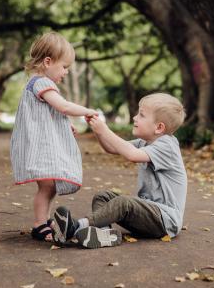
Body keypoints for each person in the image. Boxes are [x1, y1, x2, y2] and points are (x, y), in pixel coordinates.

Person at [52, 93, 187, 249]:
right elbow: (111, 148)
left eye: (141, 115)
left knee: (124, 203)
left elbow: (132, 155)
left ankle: (76, 226)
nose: (135, 118)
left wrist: (105, 129)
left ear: (159, 127)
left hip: (165, 221)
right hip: (147, 214)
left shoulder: (167, 145)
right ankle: (103, 233)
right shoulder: (145, 142)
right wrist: (98, 130)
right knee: (103, 197)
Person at [10, 32, 98, 242]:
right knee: (47, 186)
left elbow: (52, 112)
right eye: (64, 67)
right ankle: (39, 223)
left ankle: (44, 219)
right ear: (48, 62)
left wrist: (65, 124)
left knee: (49, 185)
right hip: (39, 146)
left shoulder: (42, 83)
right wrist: (87, 110)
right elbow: (63, 106)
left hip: (42, 144)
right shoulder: (40, 82)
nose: (66, 72)